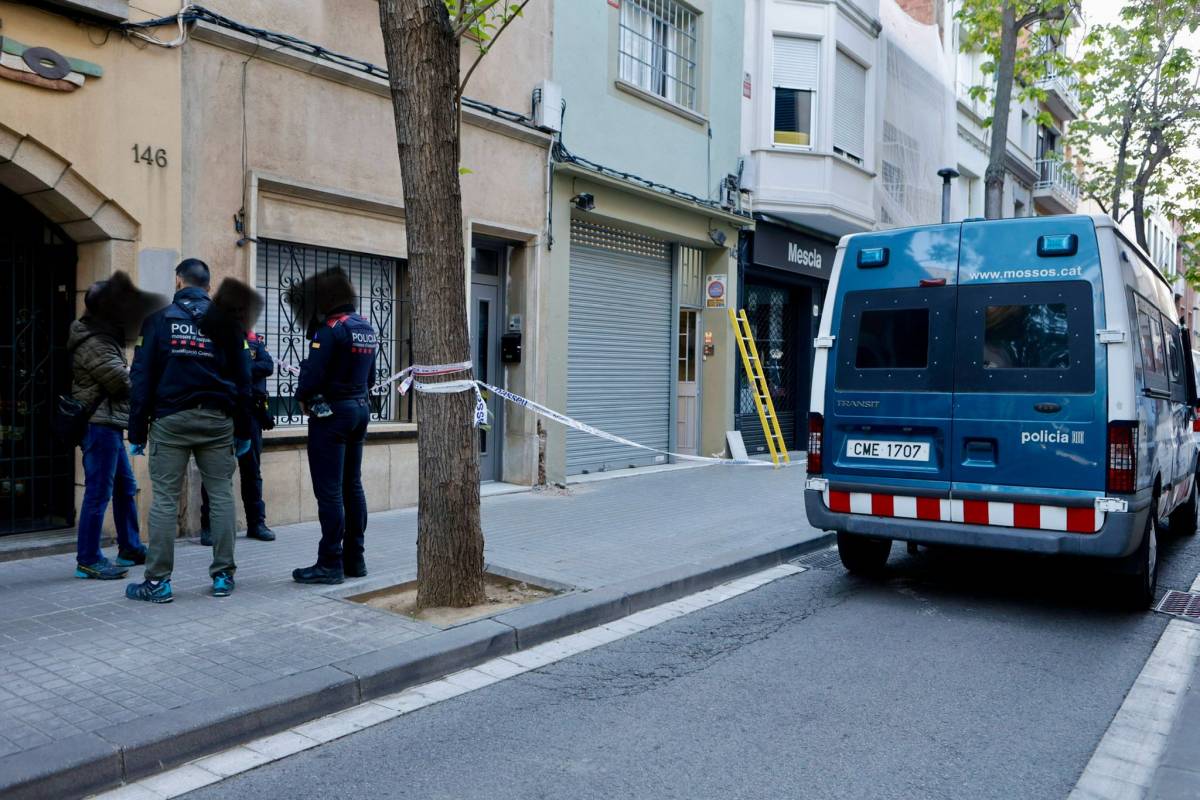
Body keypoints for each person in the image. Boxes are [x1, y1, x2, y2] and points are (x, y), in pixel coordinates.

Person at [126, 259, 252, 603]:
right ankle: (223, 576)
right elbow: (245, 380)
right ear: (208, 287)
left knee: (165, 499)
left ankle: (157, 583)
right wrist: (243, 430)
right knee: (222, 494)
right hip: (217, 421)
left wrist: (136, 431)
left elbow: (141, 380)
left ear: (178, 281)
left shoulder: (157, 321)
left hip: (171, 420)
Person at [290, 269, 377, 585]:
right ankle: (356, 558)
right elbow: (371, 380)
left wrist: (302, 396)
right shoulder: (365, 327)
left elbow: (311, 378)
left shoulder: (330, 330)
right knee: (352, 485)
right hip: (359, 410)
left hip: (332, 416)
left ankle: (330, 563)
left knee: (329, 492)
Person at [68, 273, 157, 579]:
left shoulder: (102, 334)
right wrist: (134, 371)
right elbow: (121, 383)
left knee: (125, 487)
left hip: (108, 424)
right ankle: (88, 559)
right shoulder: (94, 340)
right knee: (98, 493)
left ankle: (130, 547)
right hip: (99, 425)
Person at [200, 329, 276, 544]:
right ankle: (209, 526)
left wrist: (239, 368)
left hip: (251, 413)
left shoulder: (254, 340)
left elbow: (267, 365)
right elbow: (214, 370)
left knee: (251, 471)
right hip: (224, 412)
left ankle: (256, 523)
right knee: (215, 471)